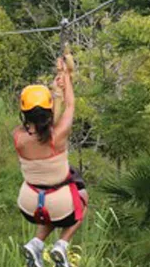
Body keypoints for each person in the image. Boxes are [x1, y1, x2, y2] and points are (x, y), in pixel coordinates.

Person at [15, 58, 88, 267]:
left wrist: (55, 93)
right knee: (82, 199)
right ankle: (62, 245)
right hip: (59, 203)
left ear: (24, 112)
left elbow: (42, 126)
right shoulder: (59, 135)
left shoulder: (18, 137)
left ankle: (36, 243)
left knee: (51, 211)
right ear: (49, 110)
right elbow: (70, 105)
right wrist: (65, 78)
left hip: (28, 203)